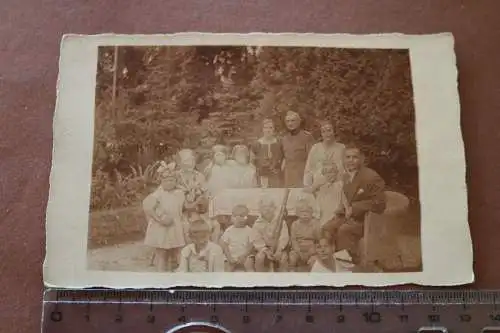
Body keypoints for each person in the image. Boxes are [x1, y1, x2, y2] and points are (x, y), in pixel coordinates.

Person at [322, 144, 387, 264]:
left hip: (366, 220)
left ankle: (347, 263)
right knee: (326, 228)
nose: (350, 161)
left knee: (344, 230)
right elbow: (349, 199)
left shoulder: (371, 177)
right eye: (347, 157)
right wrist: (342, 209)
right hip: (349, 217)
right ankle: (329, 262)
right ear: (343, 159)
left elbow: (380, 203)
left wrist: (355, 208)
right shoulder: (346, 176)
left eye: (354, 157)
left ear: (362, 159)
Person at [142, 163, 186, 272]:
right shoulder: (158, 194)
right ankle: (161, 274)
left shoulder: (179, 193)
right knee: (162, 253)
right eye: (166, 181)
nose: (169, 183)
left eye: (172, 180)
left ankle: (182, 273)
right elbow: (148, 208)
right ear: (161, 182)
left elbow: (184, 207)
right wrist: (159, 218)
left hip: (175, 225)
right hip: (161, 227)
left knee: (179, 249)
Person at [220, 204, 265, 272]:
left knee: (249, 265)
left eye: (244, 217)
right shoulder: (229, 230)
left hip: (245, 256)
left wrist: (244, 256)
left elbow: (251, 245)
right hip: (232, 255)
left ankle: (251, 279)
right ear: (232, 218)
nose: (241, 219)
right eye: (237, 217)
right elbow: (225, 245)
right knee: (227, 268)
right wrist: (229, 257)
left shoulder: (249, 230)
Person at [305, 162, 351, 227]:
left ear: (336, 173)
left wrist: (347, 208)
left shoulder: (339, 184)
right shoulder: (320, 185)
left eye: (333, 172)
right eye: (327, 172)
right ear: (324, 174)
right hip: (323, 210)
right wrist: (317, 185)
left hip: (335, 211)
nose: (330, 174)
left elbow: (344, 198)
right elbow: (309, 191)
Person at [252, 196, 290, 272]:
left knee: (283, 259)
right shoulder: (257, 224)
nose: (267, 209)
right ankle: (260, 280)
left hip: (279, 248)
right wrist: (266, 251)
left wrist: (279, 250)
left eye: (270, 206)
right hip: (264, 249)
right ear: (260, 210)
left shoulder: (281, 221)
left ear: (275, 208)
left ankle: (283, 280)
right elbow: (257, 240)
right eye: (264, 207)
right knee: (259, 258)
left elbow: (284, 237)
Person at [303, 121, 345, 187]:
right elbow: (308, 169)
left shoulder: (341, 148)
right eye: (323, 131)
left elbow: (345, 170)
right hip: (318, 186)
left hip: (337, 187)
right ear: (321, 134)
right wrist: (308, 186)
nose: (327, 134)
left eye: (329, 130)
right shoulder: (315, 148)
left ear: (334, 131)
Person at [281, 111, 315, 188]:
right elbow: (283, 158)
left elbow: (312, 158)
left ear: (299, 122)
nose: (290, 123)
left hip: (302, 175)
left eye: (293, 120)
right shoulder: (284, 139)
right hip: (288, 177)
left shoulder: (307, 137)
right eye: (288, 121)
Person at [288, 199, 322, 272]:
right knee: (292, 258)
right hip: (298, 249)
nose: (305, 214)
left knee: (314, 261)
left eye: (307, 211)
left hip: (312, 249)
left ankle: (312, 279)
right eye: (302, 211)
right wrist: (298, 251)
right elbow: (293, 240)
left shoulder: (316, 224)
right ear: (297, 213)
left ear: (311, 212)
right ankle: (291, 277)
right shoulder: (295, 224)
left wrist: (313, 250)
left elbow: (319, 241)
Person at [251, 119, 284, 188]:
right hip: (261, 176)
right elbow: (252, 161)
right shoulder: (256, 144)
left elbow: (284, 158)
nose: (268, 130)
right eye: (265, 128)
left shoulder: (279, 143)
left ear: (274, 129)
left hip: (276, 176)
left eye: (270, 128)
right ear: (262, 129)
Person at [176, 149, 208, 214]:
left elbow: (205, 190)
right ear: (181, 163)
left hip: (197, 209)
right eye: (187, 161)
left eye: (192, 160)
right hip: (180, 209)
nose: (190, 163)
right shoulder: (176, 175)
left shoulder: (199, 175)